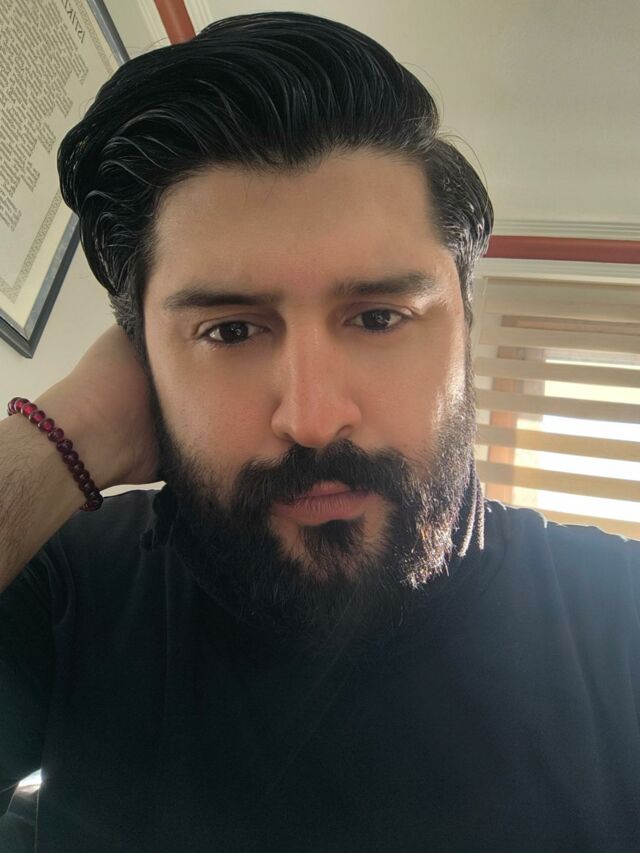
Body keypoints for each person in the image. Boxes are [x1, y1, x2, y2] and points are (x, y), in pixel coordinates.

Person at [0, 10, 638, 853]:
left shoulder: (620, 620)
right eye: (230, 330)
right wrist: (66, 434)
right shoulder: (69, 584)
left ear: (464, 331)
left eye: (378, 316)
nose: (312, 418)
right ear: (142, 360)